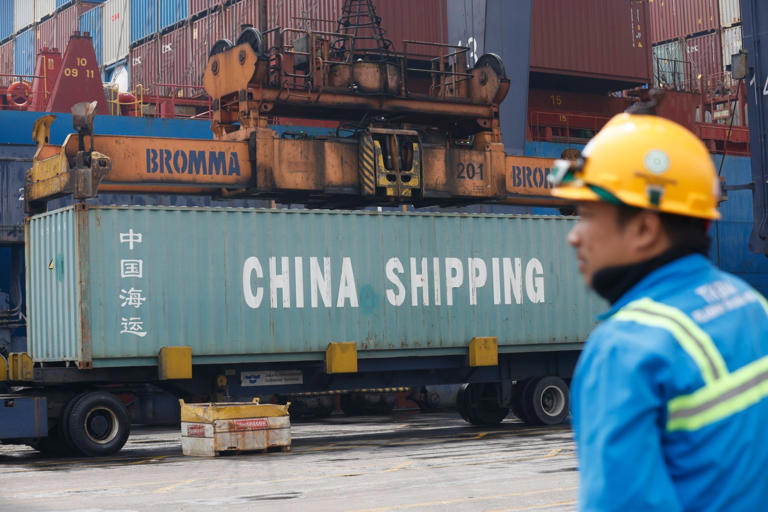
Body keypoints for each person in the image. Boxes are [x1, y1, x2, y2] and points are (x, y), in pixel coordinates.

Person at [548, 107, 768, 511]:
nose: (574, 238)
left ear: (645, 229)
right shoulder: (752, 307)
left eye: (588, 216)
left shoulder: (625, 351)